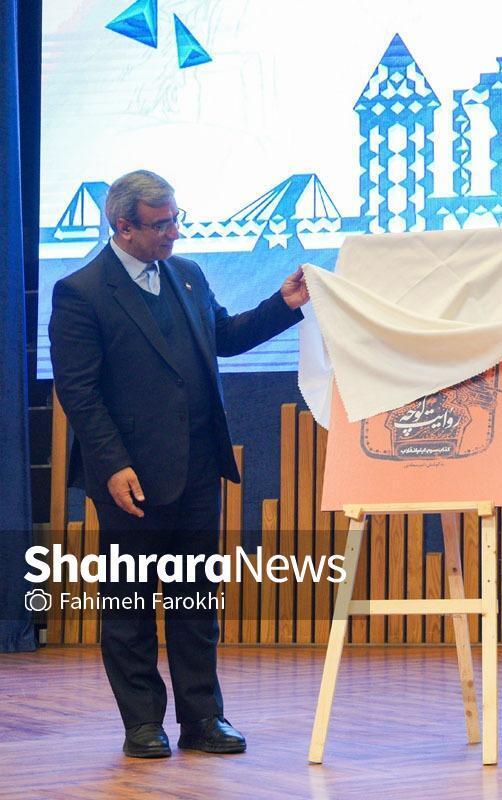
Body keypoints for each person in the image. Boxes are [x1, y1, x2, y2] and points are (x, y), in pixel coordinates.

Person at [49, 169, 309, 759]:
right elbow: (79, 393)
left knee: (195, 602)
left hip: (196, 468)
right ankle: (143, 723)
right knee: (130, 604)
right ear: (124, 227)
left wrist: (283, 305)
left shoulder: (187, 275)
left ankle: (203, 719)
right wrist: (112, 465)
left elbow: (225, 337)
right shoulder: (81, 291)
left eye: (175, 220)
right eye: (161, 224)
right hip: (130, 479)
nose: (174, 232)